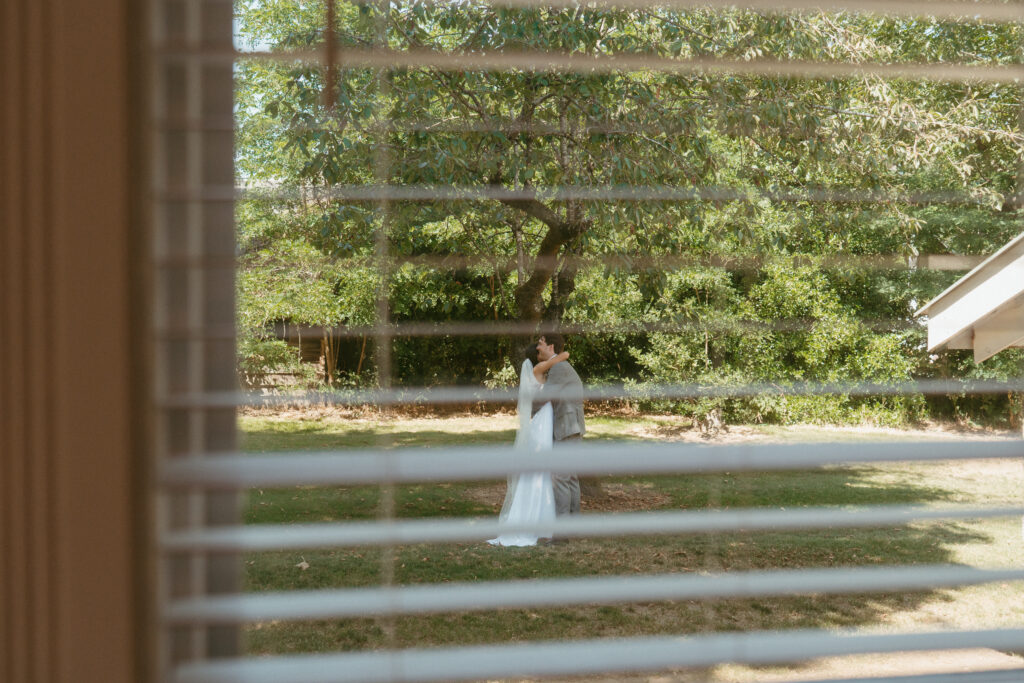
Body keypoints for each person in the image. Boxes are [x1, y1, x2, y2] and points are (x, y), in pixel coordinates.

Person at [488, 343, 569, 547]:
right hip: (542, 420)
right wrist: (562, 351)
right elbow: (560, 358)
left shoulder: (536, 370)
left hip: (543, 417)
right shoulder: (536, 369)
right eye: (540, 350)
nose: (542, 352)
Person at [534, 333, 586, 517]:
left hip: (566, 428)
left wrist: (526, 411)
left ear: (551, 347)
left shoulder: (558, 368)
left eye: (540, 343)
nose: (537, 347)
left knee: (561, 479)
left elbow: (541, 399)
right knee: (570, 477)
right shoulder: (561, 366)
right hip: (572, 428)